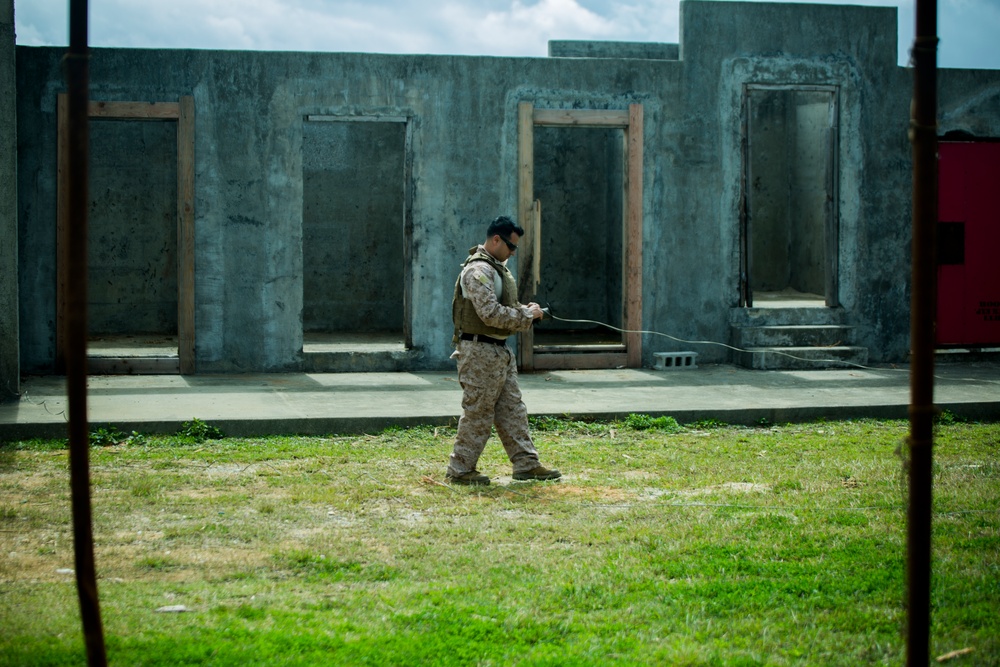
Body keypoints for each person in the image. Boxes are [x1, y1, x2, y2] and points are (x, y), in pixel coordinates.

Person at [446, 215, 562, 485]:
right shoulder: (478, 271)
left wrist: (527, 311)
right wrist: (527, 316)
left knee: (512, 410)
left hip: (498, 351)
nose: (512, 252)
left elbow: (504, 307)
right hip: (479, 351)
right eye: (511, 246)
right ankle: (460, 470)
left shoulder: (496, 268)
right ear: (496, 239)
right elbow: (490, 313)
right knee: (478, 413)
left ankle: (526, 464)